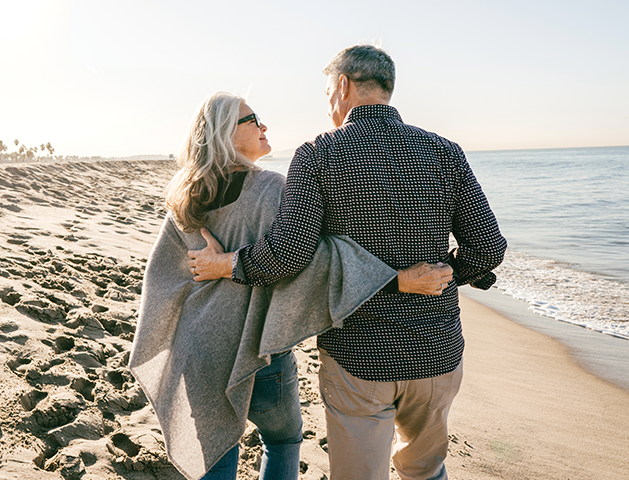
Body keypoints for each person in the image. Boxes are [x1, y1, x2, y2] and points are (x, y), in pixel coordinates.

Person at [188, 45, 507, 480]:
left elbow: (288, 255)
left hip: (359, 355)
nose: (328, 106)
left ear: (343, 86)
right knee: (427, 471)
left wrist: (228, 264)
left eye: (326, 94)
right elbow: (488, 248)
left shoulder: (319, 154)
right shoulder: (444, 151)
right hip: (437, 350)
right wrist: (452, 271)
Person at [130, 92, 452, 480]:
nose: (263, 126)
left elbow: (163, 274)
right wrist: (397, 278)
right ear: (225, 134)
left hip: (199, 350)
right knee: (282, 440)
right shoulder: (272, 190)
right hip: (260, 352)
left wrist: (211, 271)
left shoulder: (185, 195)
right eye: (252, 120)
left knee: (215, 451)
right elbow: (312, 262)